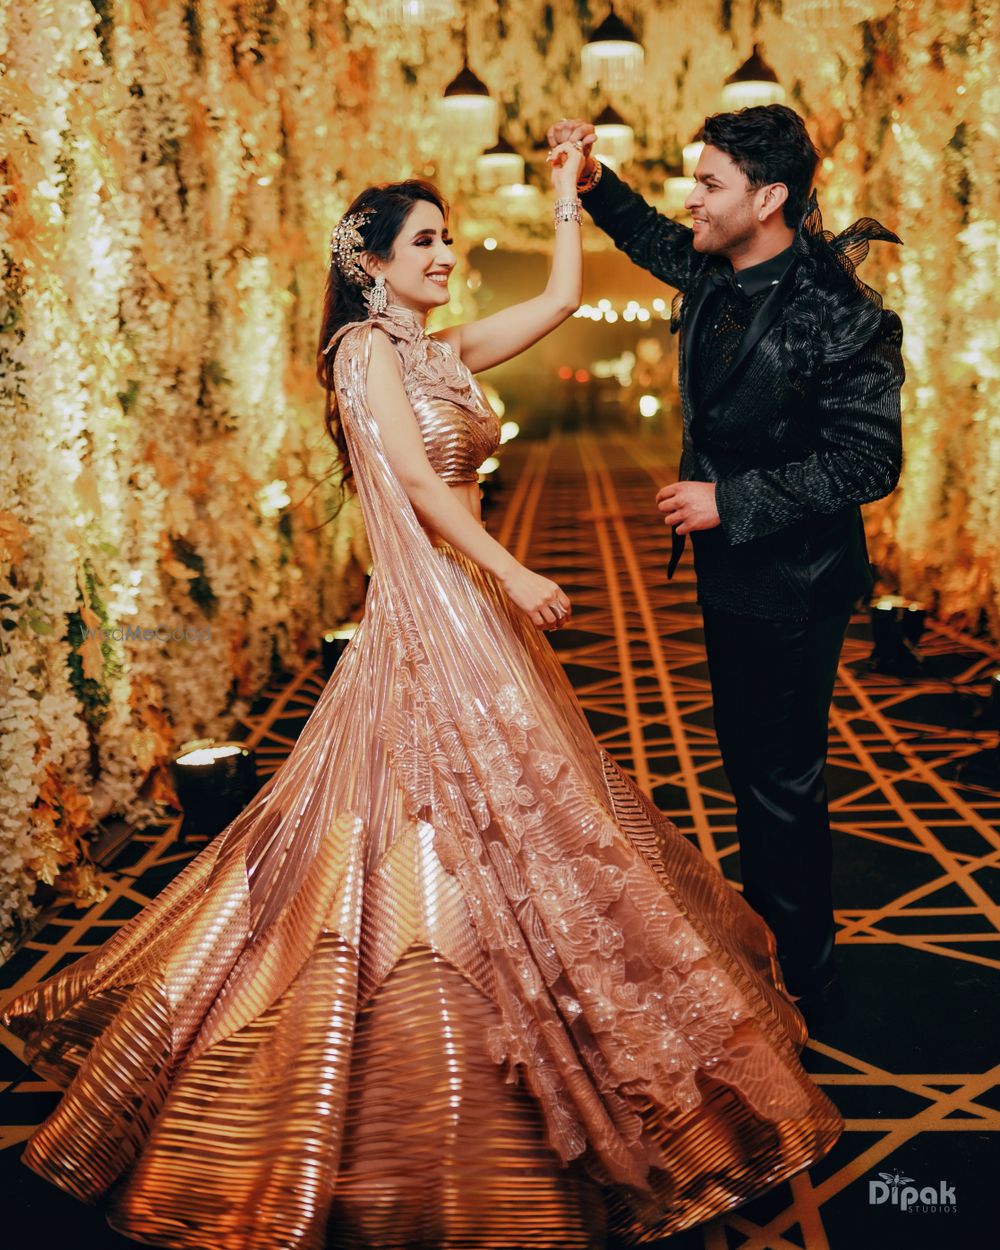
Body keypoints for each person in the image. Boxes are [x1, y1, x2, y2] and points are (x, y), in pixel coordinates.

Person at [1, 138, 843, 1250]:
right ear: (372, 263)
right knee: (417, 837)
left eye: (448, 239)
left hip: (476, 618)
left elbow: (560, 293)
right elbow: (407, 476)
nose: (446, 256)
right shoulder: (362, 353)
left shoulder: (440, 352)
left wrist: (562, 198)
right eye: (426, 242)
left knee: (523, 822)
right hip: (432, 611)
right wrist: (509, 568)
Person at [547, 105, 905, 1022]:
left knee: (781, 782)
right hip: (732, 574)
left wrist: (728, 501)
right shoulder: (712, 268)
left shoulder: (842, 314)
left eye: (710, 184)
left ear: (771, 196)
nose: (693, 199)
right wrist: (593, 183)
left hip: (795, 581)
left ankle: (809, 984)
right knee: (750, 768)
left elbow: (870, 462)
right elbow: (653, 237)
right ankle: (773, 951)